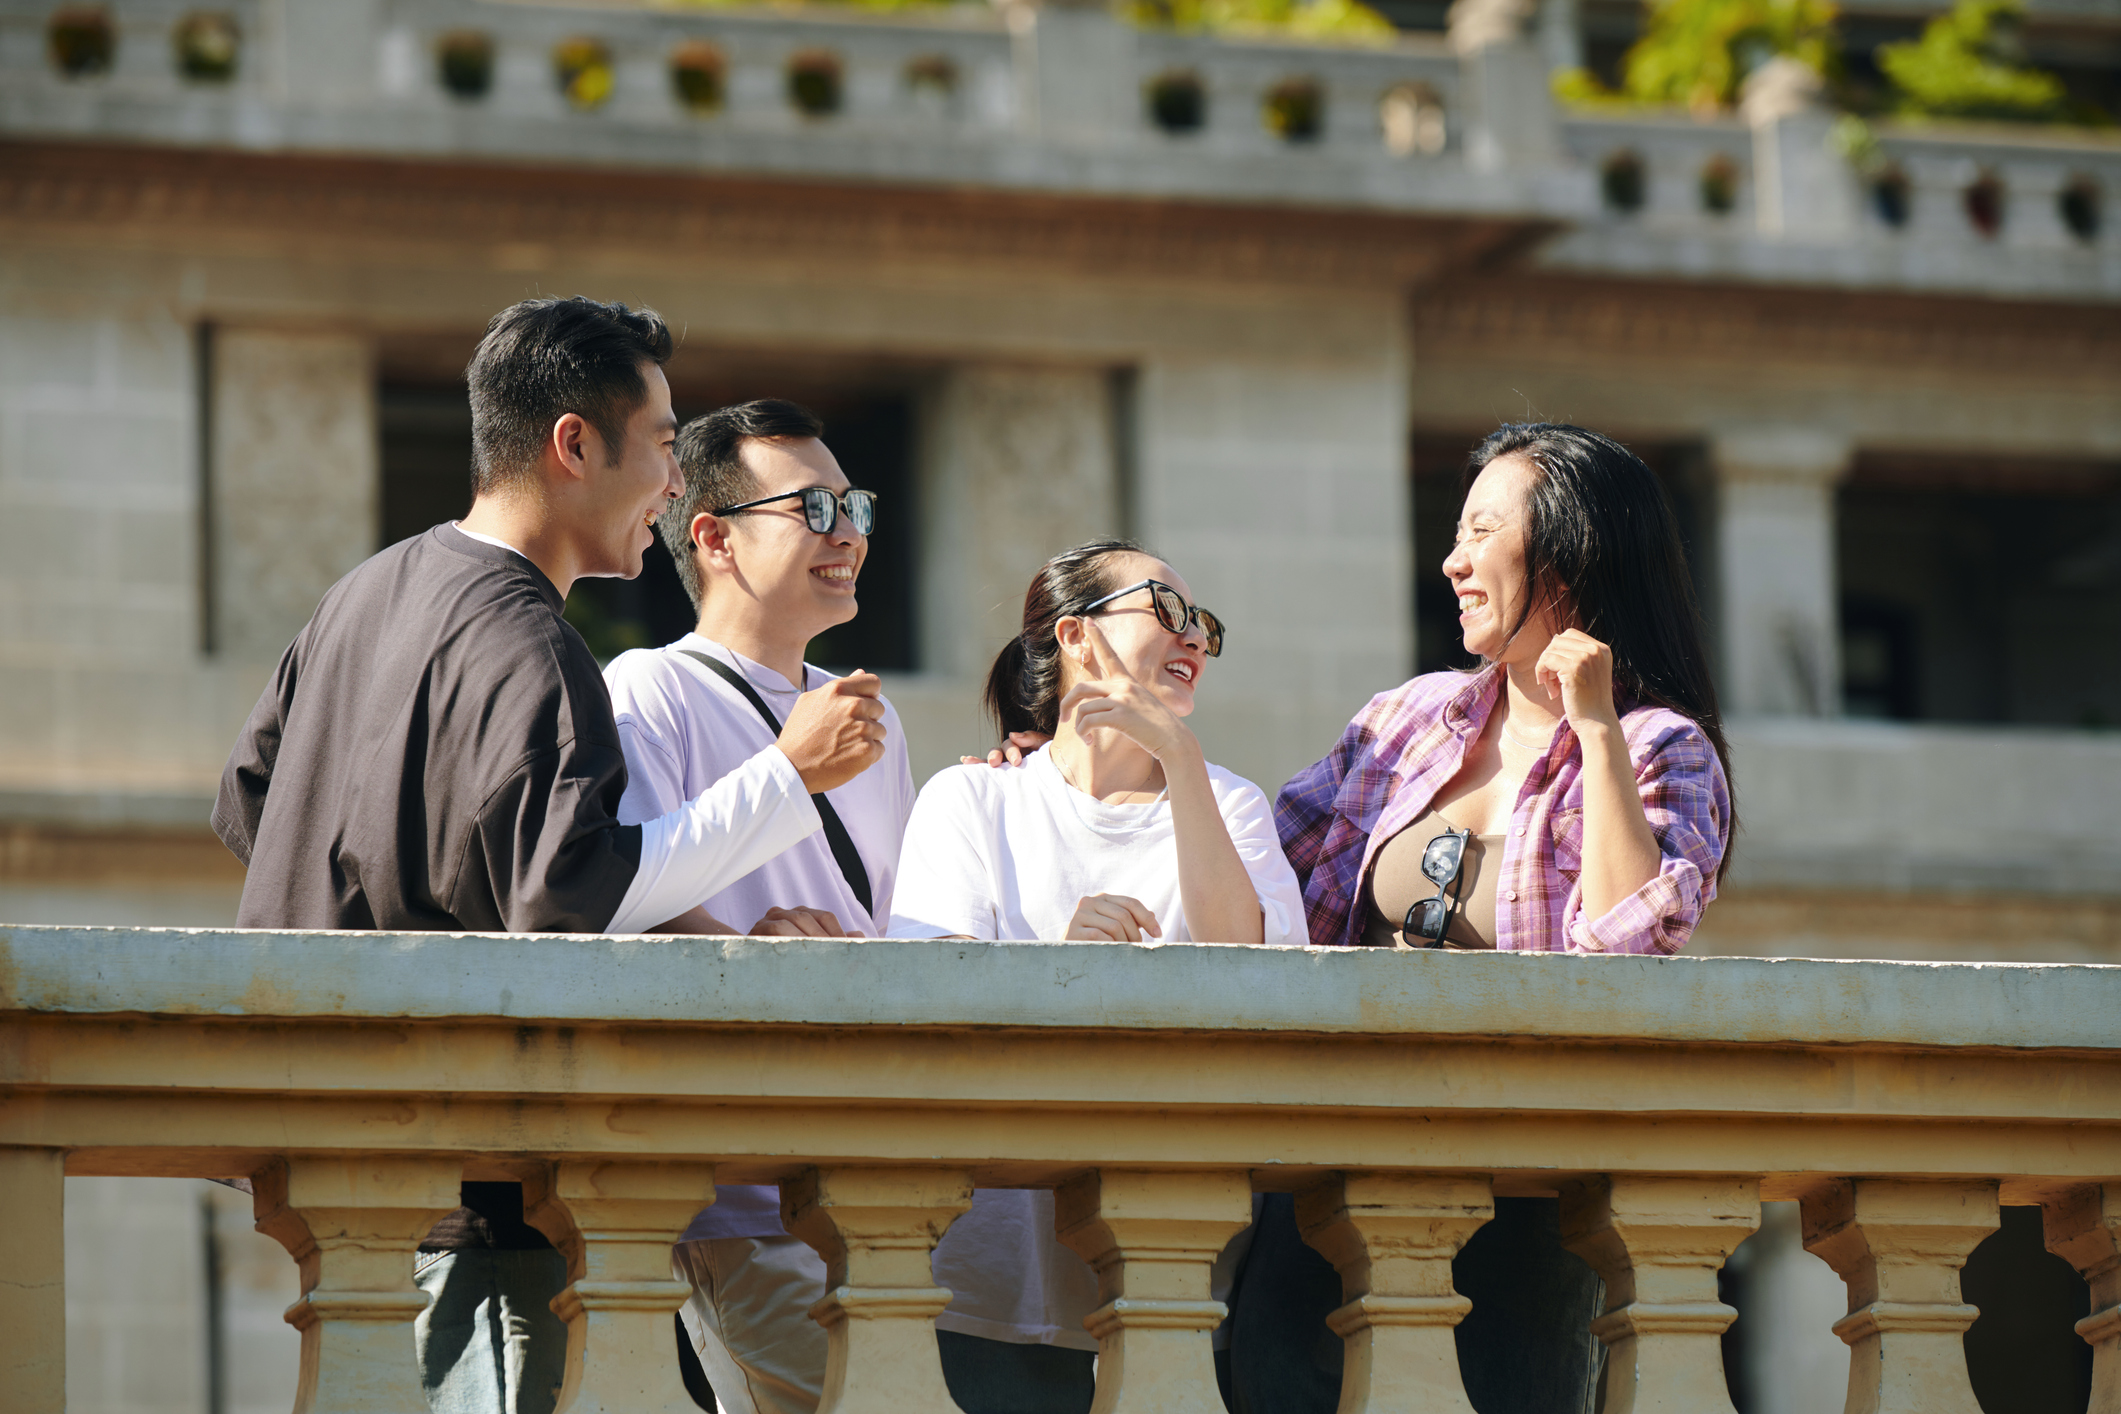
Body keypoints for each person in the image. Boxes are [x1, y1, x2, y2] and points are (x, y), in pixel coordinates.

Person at [213, 298, 884, 1414]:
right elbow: (573, 899)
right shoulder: (525, 636)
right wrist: (786, 777)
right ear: (575, 444)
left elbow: (251, 803)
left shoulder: (364, 591)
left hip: (349, 1162)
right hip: (476, 1184)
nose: (673, 484)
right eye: (662, 446)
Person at [1253, 421, 1737, 1414]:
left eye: (1481, 531)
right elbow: (1260, 880)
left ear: (1570, 550)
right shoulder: (1401, 720)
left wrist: (1594, 727)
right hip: (1328, 1168)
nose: (1453, 561)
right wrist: (1073, 774)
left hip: (1524, 1200)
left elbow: (1627, 954)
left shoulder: (1661, 747)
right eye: (1456, 533)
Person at [889, 539, 1306, 1414]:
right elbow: (930, 1005)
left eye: (1203, 625)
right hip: (985, 1270)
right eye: (1167, 611)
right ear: (1075, 635)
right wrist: (1058, 966)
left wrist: (1179, 757)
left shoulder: (1228, 801)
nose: (1194, 638)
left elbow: (1262, 976)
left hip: (1179, 1257)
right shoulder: (972, 800)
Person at [601, 399, 914, 1414]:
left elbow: (896, 917)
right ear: (713, 537)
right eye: (814, 508)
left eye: (855, 506)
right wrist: (748, 950)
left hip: (871, 1165)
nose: (847, 533)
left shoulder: (869, 713)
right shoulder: (647, 689)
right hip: (740, 1185)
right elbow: (626, 895)